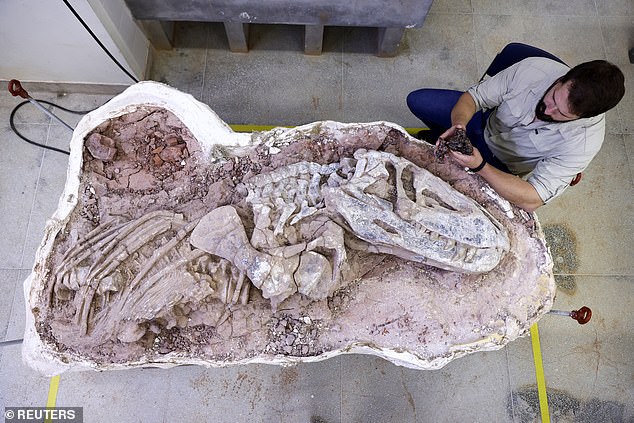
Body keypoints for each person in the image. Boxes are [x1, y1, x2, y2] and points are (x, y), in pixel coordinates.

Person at [406, 57, 625, 212]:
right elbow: (474, 98)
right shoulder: (534, 70)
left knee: (465, 207)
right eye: (553, 98)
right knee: (418, 100)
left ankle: (459, 156)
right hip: (481, 124)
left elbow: (533, 198)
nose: (548, 111)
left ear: (583, 117)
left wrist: (481, 167)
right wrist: (459, 125)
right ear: (561, 80)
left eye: (562, 114)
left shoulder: (585, 143)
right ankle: (438, 133)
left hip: (500, 165)